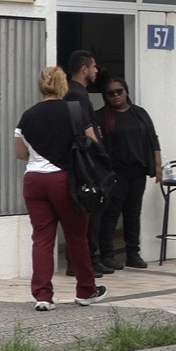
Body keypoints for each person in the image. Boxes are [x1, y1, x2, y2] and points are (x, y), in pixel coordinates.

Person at [14, 66, 107, 311]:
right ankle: (86, 290)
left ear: (41, 85)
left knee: (42, 238)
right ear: (62, 85)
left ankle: (43, 296)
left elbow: (20, 153)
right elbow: (93, 143)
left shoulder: (27, 115)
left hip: (34, 180)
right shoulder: (74, 111)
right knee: (76, 236)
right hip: (65, 179)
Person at [95, 78, 162, 270]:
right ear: (105, 96)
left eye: (119, 91)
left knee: (133, 213)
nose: (116, 95)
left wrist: (158, 166)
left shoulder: (139, 113)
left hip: (138, 170)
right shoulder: (101, 117)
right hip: (115, 172)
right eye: (111, 93)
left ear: (126, 91)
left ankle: (133, 253)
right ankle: (107, 255)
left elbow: (153, 139)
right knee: (111, 214)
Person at [63, 50, 110, 276]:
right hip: (86, 161)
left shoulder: (80, 93)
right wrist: (101, 156)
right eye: (93, 67)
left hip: (87, 160)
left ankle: (91, 258)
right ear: (84, 69)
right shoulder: (75, 94)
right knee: (87, 212)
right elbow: (85, 128)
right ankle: (81, 261)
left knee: (93, 212)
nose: (96, 71)